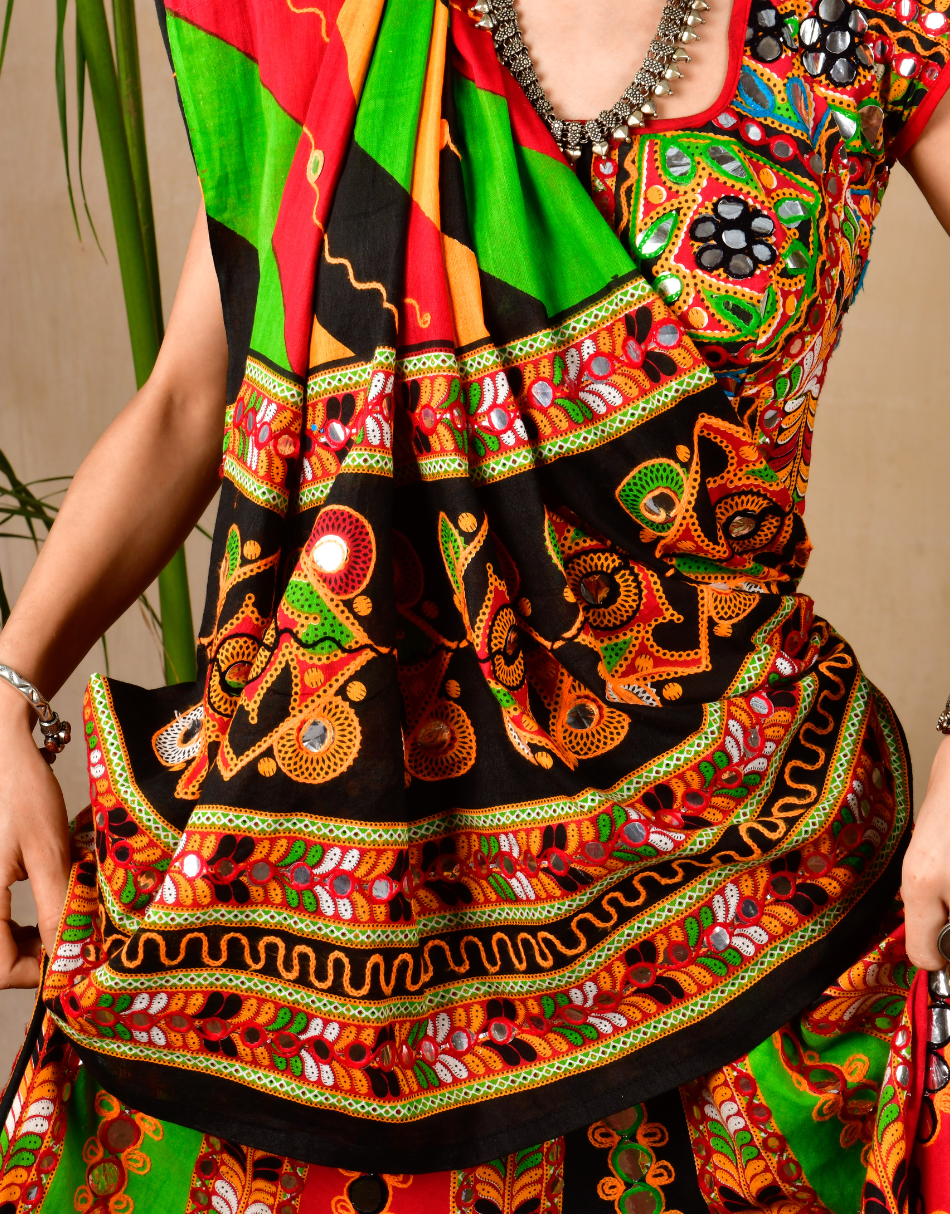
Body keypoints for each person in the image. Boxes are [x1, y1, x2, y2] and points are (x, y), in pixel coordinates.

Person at [2, 0, 950, 1209]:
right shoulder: (349, 26)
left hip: (755, 892)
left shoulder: (868, 26)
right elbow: (191, 398)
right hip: (333, 924)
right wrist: (12, 681)